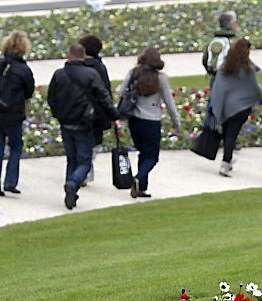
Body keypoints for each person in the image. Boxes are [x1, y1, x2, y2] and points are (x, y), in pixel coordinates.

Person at [47, 43, 119, 209]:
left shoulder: (59, 74)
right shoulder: (91, 74)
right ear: (84, 55)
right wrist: (114, 115)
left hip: (66, 122)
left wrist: (58, 114)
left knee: (71, 159)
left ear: (69, 55)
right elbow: (103, 97)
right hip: (84, 122)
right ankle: (73, 184)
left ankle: (70, 190)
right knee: (85, 161)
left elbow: (51, 98)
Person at [119, 48, 181, 197]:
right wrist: (176, 122)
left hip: (134, 119)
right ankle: (138, 179)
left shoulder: (133, 73)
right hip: (151, 120)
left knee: (143, 153)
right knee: (152, 156)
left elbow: (121, 91)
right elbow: (169, 103)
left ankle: (141, 187)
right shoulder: (161, 78)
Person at [0, 31, 35, 197]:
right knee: (16, 147)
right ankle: (10, 181)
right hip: (13, 115)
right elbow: (29, 91)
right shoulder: (24, 70)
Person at [210, 38, 262, 177]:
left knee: (228, 134)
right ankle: (226, 163)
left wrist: (217, 108)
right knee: (231, 135)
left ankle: (228, 159)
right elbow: (255, 89)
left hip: (227, 107)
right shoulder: (247, 69)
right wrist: (258, 99)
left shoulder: (225, 67)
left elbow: (218, 89)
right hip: (241, 108)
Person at [78, 35, 112, 185]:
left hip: (81, 110)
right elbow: (105, 91)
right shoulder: (99, 67)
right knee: (93, 144)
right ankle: (84, 172)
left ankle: (83, 172)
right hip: (96, 112)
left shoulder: (80, 66)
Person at [203, 10, 237, 84]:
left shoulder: (214, 40)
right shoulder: (232, 41)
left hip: (216, 78)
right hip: (228, 79)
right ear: (230, 24)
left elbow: (205, 59)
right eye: (234, 22)